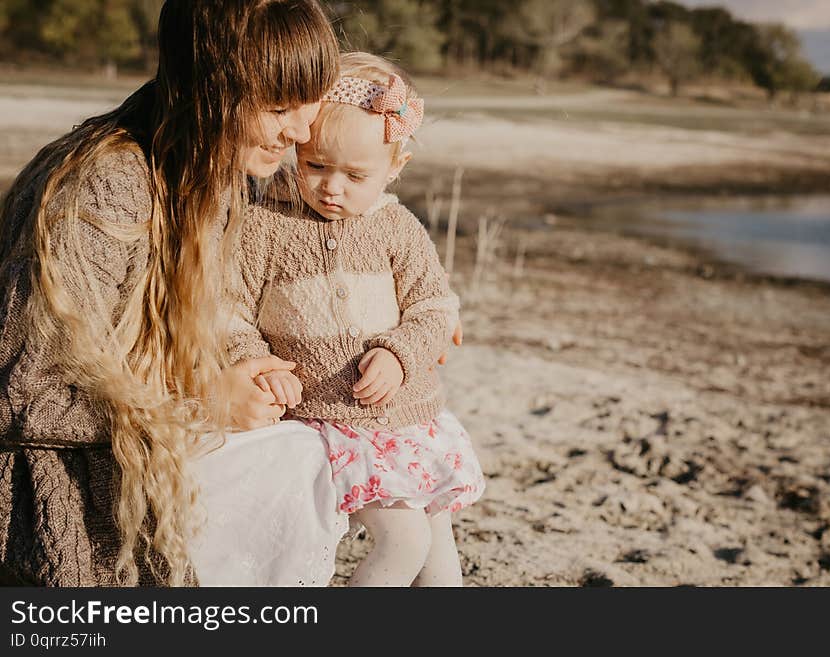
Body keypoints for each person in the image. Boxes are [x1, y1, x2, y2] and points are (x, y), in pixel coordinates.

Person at [0, 0, 345, 586]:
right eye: (279, 106)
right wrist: (201, 402)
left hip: (146, 446)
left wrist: (241, 362)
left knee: (308, 454)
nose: (302, 131)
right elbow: (18, 392)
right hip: (59, 479)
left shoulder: (215, 172)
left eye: (308, 102)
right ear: (210, 92)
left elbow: (206, 310)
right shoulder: (103, 189)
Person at [228, 52, 485, 587]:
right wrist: (255, 362)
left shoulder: (397, 228)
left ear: (396, 168)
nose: (332, 188)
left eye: (355, 174)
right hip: (323, 424)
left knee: (442, 568)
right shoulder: (263, 226)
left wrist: (400, 352)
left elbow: (434, 305)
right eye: (316, 166)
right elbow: (227, 309)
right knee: (402, 539)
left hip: (405, 420)